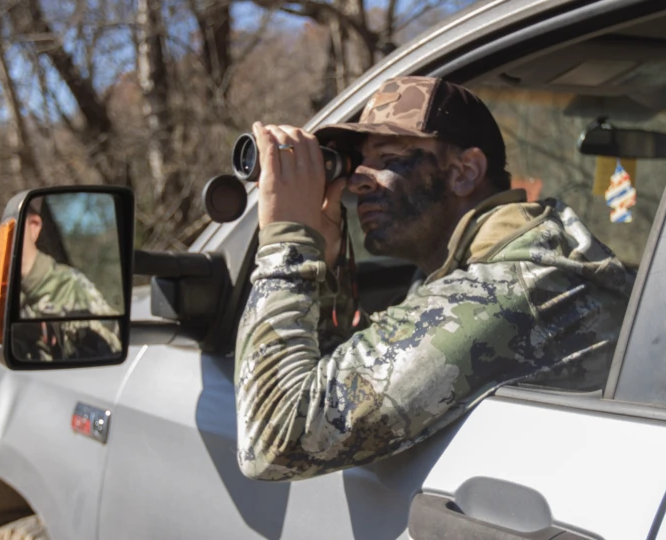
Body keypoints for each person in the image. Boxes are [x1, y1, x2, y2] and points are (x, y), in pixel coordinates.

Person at [235, 76, 635, 481]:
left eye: (388, 159)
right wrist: (324, 263)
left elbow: (273, 442)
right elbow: (336, 372)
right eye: (357, 164)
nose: (357, 180)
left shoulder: (501, 291)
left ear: (464, 172)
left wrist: (287, 243)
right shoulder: (477, 265)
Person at [16, 198, 121, 361]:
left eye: (11, 227)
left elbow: (111, 346)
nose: (0, 238)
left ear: (33, 227)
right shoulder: (4, 293)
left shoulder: (70, 287)